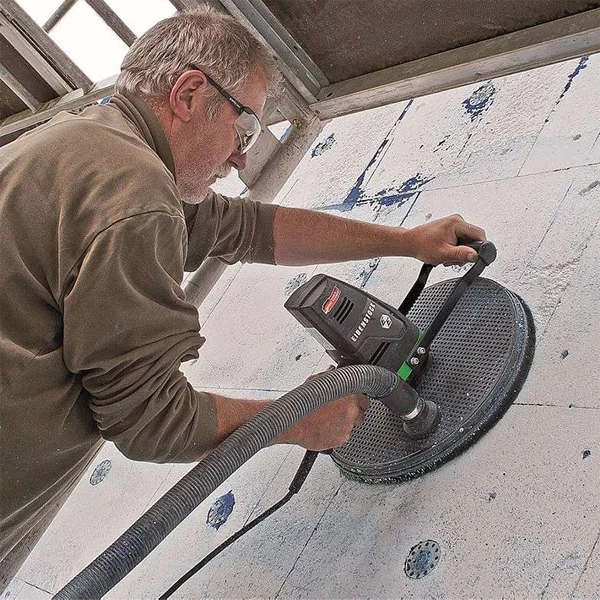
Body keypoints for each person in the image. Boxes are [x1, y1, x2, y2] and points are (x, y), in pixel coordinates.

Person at [0, 4, 486, 587]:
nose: (241, 158)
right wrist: (296, 421)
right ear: (188, 94)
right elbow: (149, 420)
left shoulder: (85, 144)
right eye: (245, 129)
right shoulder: (135, 197)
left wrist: (406, 242)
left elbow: (245, 228)